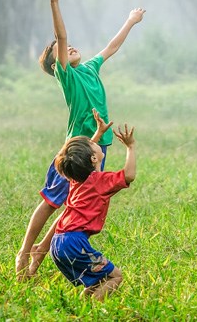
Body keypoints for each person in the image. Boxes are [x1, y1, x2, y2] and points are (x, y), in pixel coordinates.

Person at [15, 0, 144, 279]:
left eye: (71, 46)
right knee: (50, 203)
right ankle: (24, 254)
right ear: (55, 64)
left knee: (74, 207)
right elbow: (60, 36)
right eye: (60, 50)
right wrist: (54, 1)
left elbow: (111, 47)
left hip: (99, 146)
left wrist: (130, 21)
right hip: (76, 149)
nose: (69, 47)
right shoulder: (68, 76)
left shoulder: (89, 68)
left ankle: (37, 262)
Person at [50, 121, 136, 300]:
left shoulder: (76, 179)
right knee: (115, 276)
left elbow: (81, 157)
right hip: (74, 243)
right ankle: (92, 312)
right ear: (93, 158)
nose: (94, 142)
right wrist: (130, 147)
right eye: (92, 144)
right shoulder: (100, 181)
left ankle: (82, 307)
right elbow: (129, 175)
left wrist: (98, 133)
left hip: (57, 242)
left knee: (97, 281)